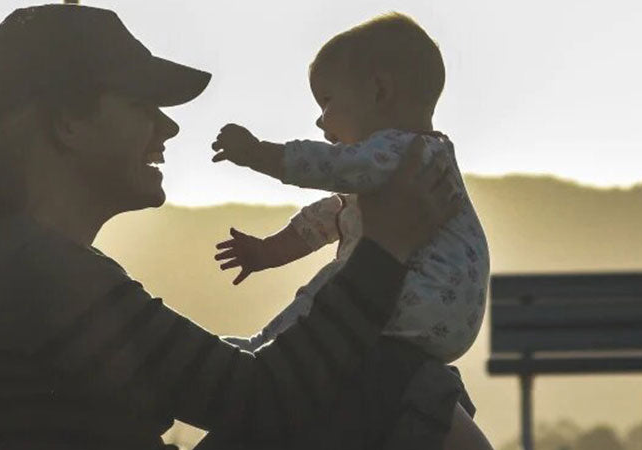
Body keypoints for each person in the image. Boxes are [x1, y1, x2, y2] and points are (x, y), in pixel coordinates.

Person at [0, 4, 489, 449]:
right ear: (67, 122)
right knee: (391, 378)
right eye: (142, 105)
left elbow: (241, 393)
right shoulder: (32, 274)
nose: (167, 129)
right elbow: (260, 399)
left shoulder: (8, 264)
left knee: (391, 377)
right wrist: (388, 246)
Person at [207, 14, 487, 447]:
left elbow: (333, 168)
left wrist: (258, 154)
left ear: (379, 91)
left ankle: (262, 353)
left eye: (327, 103)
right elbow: (329, 217)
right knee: (344, 288)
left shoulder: (402, 150)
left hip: (418, 300)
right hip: (441, 320)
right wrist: (266, 252)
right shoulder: (408, 167)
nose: (321, 123)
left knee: (329, 293)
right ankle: (263, 349)